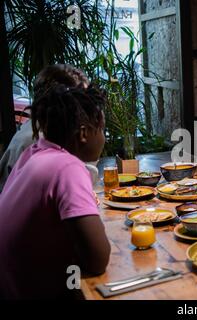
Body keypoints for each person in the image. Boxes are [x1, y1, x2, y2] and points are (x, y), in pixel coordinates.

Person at [0, 84, 111, 299]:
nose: (104, 138)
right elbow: (98, 259)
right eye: (102, 130)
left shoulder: (33, 153)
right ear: (84, 134)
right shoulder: (67, 167)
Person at [0, 64, 93, 192]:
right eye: (82, 100)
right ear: (61, 101)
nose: (87, 108)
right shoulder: (39, 141)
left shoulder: (40, 128)